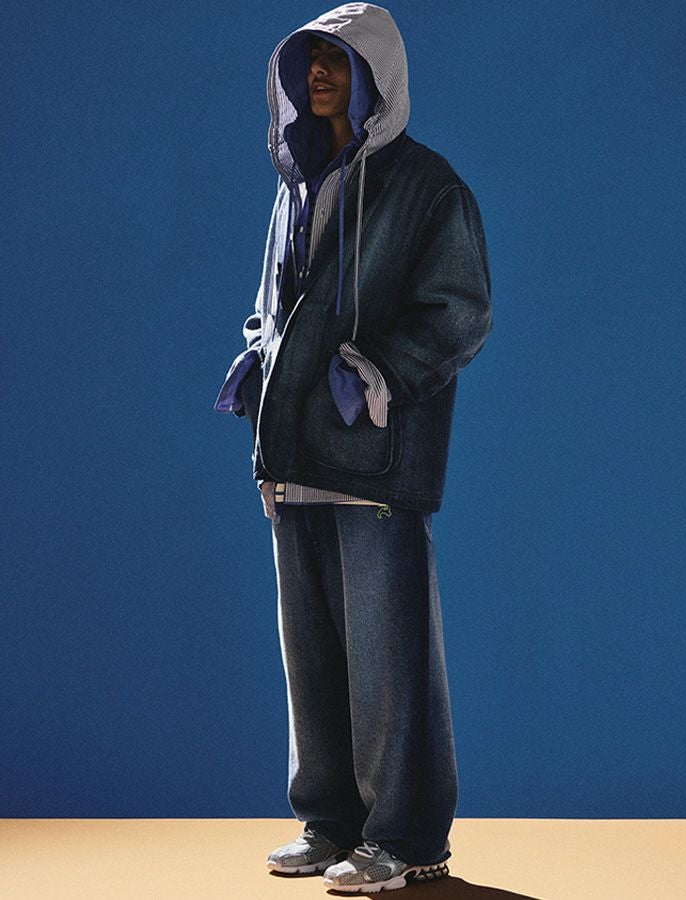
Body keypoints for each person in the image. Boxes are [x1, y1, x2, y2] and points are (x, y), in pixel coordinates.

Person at [214, 3, 492, 893]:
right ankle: (329, 822)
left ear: (379, 76)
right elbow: (275, 301)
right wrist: (258, 357)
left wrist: (377, 375)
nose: (320, 74)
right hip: (294, 456)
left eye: (338, 60)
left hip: (375, 461)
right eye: (309, 61)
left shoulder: (428, 187)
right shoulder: (294, 186)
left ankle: (405, 839)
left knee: (389, 662)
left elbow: (460, 311)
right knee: (312, 659)